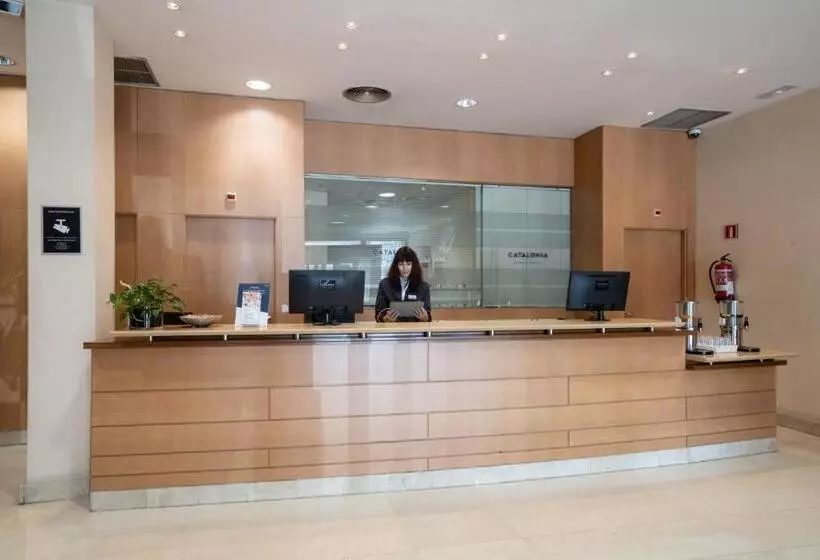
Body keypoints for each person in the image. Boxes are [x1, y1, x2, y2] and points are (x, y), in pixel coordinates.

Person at [375, 246, 432, 322]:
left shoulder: (424, 287)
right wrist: (385, 319)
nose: (405, 268)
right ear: (396, 266)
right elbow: (378, 315)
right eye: (401, 264)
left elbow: (428, 316)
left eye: (408, 264)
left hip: (414, 328)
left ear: (414, 266)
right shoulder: (384, 285)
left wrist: (425, 318)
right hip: (392, 328)